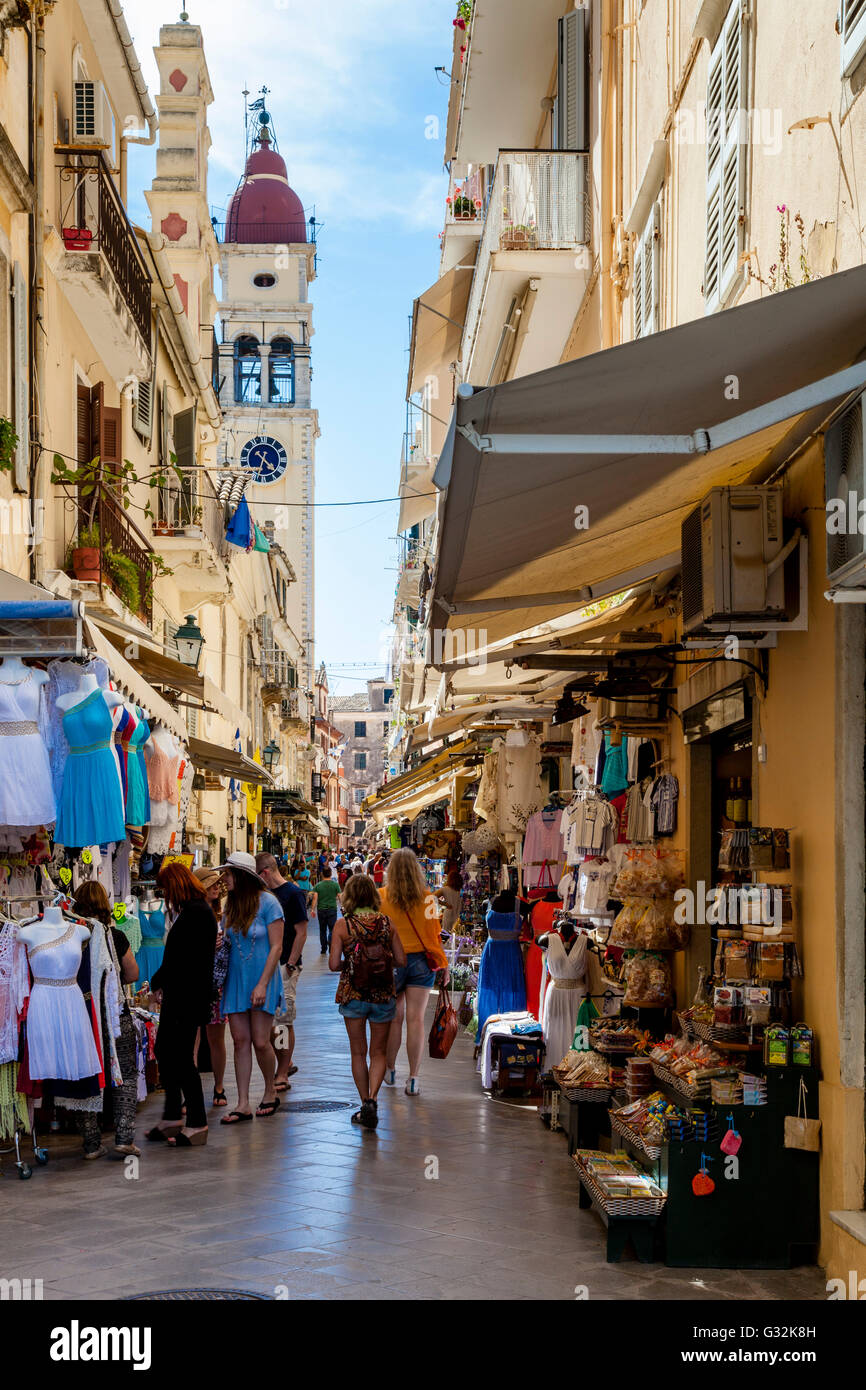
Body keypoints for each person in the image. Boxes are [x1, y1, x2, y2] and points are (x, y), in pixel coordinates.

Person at [146, 863, 217, 1148]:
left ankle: (197, 1122)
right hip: (185, 994)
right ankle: (173, 1115)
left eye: (165, 889)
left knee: (182, 1058)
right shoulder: (195, 912)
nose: (164, 895)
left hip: (187, 997)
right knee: (166, 1050)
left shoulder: (195, 914)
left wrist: (156, 982)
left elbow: (179, 960)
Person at [329, 874, 406, 1129]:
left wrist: (351, 965)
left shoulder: (343, 926)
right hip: (382, 994)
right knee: (379, 1052)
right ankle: (374, 1099)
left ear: (349, 896)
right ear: (373, 896)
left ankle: (364, 1104)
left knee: (358, 1052)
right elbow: (401, 959)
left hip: (354, 994)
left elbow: (332, 965)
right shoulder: (387, 923)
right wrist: (380, 964)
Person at [71, 881, 141, 1160]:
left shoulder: (71, 936)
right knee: (125, 1075)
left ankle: (91, 1143)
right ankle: (124, 1137)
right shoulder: (116, 936)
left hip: (82, 1016)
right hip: (115, 1016)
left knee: (86, 1075)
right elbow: (133, 973)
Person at [219, 851, 285, 1124]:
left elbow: (277, 947)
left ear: (242, 876)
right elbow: (229, 940)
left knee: (261, 1040)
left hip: (262, 978)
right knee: (240, 1041)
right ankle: (243, 1102)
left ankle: (270, 1090)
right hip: (236, 978)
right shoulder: (230, 907)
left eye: (229, 874)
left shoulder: (270, 903)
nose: (224, 879)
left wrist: (262, 983)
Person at [380, 848, 450, 1096]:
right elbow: (435, 934)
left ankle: (389, 1069)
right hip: (422, 962)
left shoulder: (381, 897)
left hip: (392, 962)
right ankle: (413, 1078)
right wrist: (444, 964)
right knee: (416, 1019)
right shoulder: (429, 897)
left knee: (394, 1018)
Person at [255, 852, 308, 1090]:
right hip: (264, 965)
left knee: (282, 1020)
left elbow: (301, 932)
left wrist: (290, 964)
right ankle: (286, 1061)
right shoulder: (262, 895)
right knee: (270, 1021)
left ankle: (283, 1071)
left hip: (285, 964)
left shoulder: (293, 894)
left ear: (265, 872)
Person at [193, 867, 230, 1108]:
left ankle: (219, 1086)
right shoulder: (191, 915)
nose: (216, 887)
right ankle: (192, 1090)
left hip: (216, 985)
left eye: (218, 883)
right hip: (195, 982)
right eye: (211, 883)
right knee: (193, 1040)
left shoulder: (221, 916)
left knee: (216, 1039)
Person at [313, 865, 339, 953]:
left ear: (322, 874)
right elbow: (340, 896)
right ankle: (331, 944)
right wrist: (343, 907)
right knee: (332, 929)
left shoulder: (318, 885)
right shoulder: (335, 885)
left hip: (321, 910)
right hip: (332, 909)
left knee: (322, 930)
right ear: (331, 874)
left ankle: (323, 948)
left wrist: (312, 909)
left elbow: (315, 898)